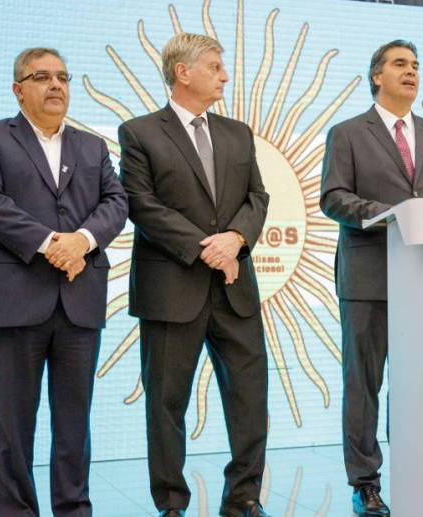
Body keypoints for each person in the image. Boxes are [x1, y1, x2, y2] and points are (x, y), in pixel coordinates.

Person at [0, 47, 128, 516]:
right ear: (18, 90)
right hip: (16, 300)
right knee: (14, 427)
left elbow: (116, 203)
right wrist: (52, 243)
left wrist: (82, 241)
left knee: (75, 425)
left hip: (80, 299)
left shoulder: (92, 146)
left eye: (62, 77)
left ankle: (73, 510)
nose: (56, 85)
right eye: (42, 77)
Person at [117, 32, 271, 517]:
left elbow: (258, 197)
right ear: (182, 72)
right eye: (214, 67)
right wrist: (209, 248)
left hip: (235, 290)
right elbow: (141, 204)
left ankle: (244, 498)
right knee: (166, 404)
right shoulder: (139, 132)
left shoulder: (238, 133)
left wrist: (236, 238)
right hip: (171, 290)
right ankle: (171, 505)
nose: (224, 75)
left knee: (250, 401)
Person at [320, 40, 423, 517]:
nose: (411, 72)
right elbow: (333, 197)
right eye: (400, 64)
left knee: (419, 384)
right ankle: (365, 483)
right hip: (369, 278)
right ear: (376, 76)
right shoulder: (347, 133)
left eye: (416, 65)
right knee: (363, 385)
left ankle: (419, 469)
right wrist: (398, 216)